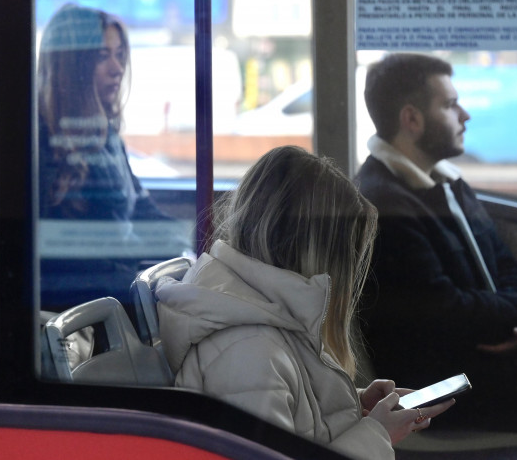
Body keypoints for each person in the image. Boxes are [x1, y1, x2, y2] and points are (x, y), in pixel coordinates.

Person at [156, 146, 453, 460]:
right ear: (319, 257)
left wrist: (358, 404)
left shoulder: (258, 312)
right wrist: (377, 436)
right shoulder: (248, 348)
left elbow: (289, 414)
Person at [356, 53, 517, 454]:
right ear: (412, 119)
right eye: (450, 105)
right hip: (443, 389)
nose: (464, 115)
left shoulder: (449, 185)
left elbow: (508, 271)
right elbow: (447, 312)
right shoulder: (383, 205)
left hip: (482, 365)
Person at [37, 3, 188, 308]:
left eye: (119, 56)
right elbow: (63, 253)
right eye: (103, 56)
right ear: (72, 66)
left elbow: (142, 208)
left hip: (115, 281)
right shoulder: (42, 138)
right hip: (79, 291)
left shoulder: (104, 135)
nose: (117, 68)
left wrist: (190, 246)